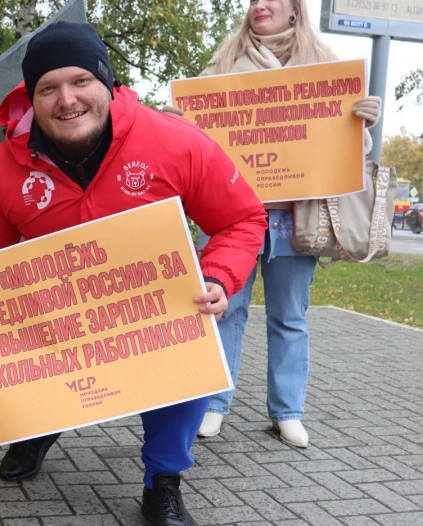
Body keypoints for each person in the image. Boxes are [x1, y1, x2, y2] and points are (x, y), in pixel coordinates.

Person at [0, 21, 267, 526]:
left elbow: (243, 220)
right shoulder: (4, 170)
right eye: (48, 88)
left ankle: (163, 484)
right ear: (31, 97)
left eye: (81, 80)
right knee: (13, 346)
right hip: (54, 319)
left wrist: (218, 278)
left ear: (107, 83)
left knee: (189, 339)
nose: (67, 100)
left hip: (151, 313)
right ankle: (39, 424)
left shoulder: (174, 142)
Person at [163, 0, 381, 448]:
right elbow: (191, 136)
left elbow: (350, 151)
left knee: (290, 316)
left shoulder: (324, 67)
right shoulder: (223, 64)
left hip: (295, 214)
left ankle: (287, 411)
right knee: (223, 310)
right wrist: (176, 123)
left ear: (295, 8)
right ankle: (212, 404)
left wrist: (363, 123)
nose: (260, 4)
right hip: (228, 213)